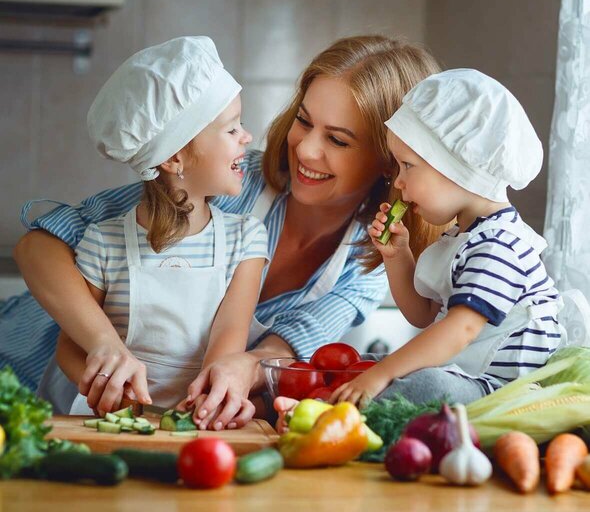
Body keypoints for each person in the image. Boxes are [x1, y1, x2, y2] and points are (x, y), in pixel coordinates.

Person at [8, 35, 444, 430]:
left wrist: (244, 368)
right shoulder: (227, 177)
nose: (307, 149)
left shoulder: (369, 259)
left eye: (339, 140)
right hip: (32, 364)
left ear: (392, 160)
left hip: (142, 418)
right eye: (304, 121)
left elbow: (287, 344)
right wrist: (102, 343)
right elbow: (39, 246)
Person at [37, 36, 269, 416]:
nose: (247, 137)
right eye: (231, 129)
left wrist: (203, 404)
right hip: (108, 420)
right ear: (176, 158)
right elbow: (70, 347)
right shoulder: (103, 242)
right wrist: (111, 397)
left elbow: (227, 343)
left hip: (196, 419)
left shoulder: (245, 240)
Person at [330, 68, 563, 408]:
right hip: (469, 377)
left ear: (458, 167)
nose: (397, 182)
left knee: (423, 383)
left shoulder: (499, 245)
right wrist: (397, 257)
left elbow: (460, 330)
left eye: (407, 166)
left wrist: (381, 375)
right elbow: (424, 315)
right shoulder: (463, 237)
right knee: (373, 367)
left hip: (502, 391)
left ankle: (344, 417)